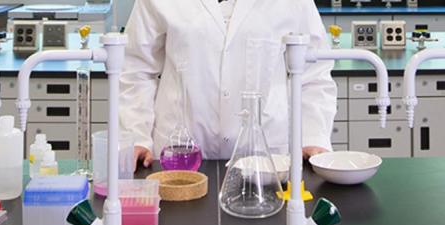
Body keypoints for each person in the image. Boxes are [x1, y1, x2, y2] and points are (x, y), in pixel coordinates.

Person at [121, 0, 338, 167]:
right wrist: (136, 137)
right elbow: (135, 70)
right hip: (178, 158)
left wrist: (312, 135)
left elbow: (313, 74)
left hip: (267, 159)